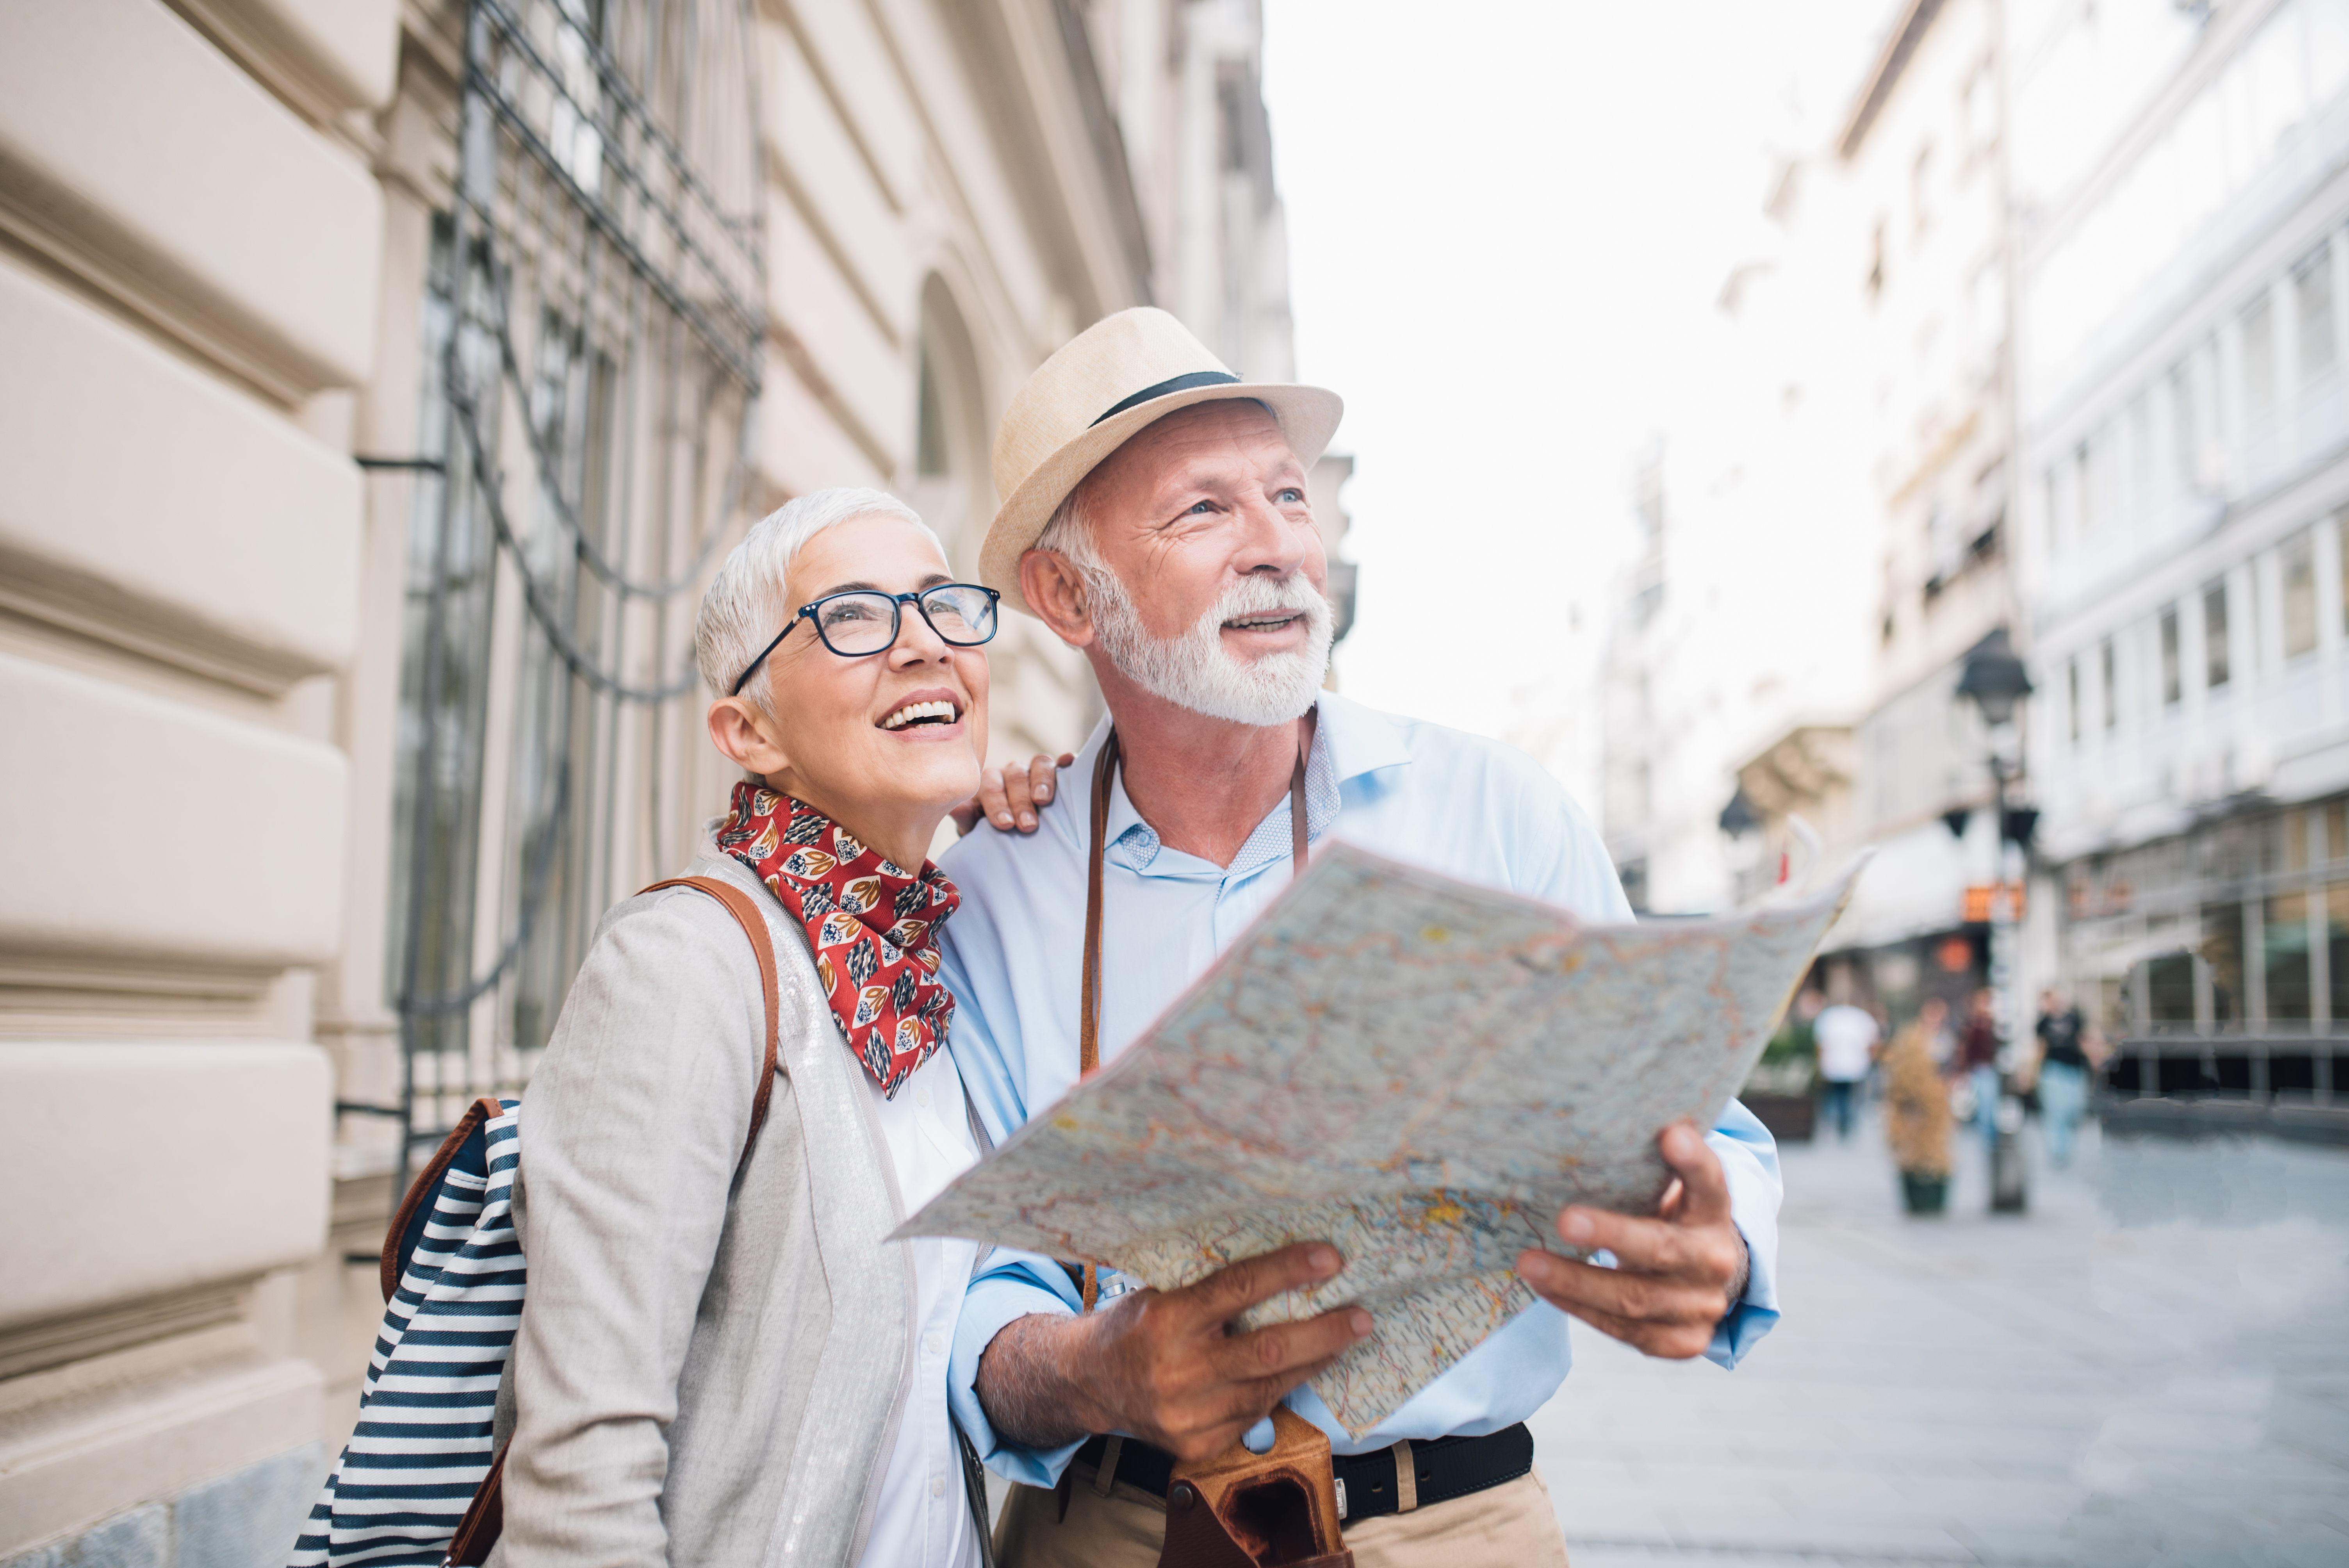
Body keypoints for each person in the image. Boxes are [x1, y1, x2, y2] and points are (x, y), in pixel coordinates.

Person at [937, 308, 1782, 1568]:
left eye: (1288, 494)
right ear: (1068, 592)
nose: (1277, 545)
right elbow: (959, 1301)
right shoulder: (994, 886)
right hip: (1106, 1527)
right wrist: (1092, 1369)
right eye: (1204, 511)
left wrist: (1714, 1236)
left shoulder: (1493, 812)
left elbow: (1699, 1131)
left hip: (1456, 1527)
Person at [489, 489, 1005, 1565]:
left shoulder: (927, 974)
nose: (924, 647)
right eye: (855, 618)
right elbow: (582, 1469)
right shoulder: (685, 965)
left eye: (943, 606)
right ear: (749, 732)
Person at [2034, 989, 2091, 1166]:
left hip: (2074, 1069)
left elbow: (2084, 1040)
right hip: (2053, 1070)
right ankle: (2059, 1152)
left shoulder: (2074, 1018)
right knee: (2055, 1113)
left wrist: (2094, 1060)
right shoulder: (2043, 1023)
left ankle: (2064, 1147)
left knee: (2074, 1109)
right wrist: (2032, 1073)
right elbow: (2040, 1048)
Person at [1813, 993, 1880, 1141]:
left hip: (1836, 1065)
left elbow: (1821, 1045)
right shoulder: (1862, 1018)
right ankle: (1847, 1123)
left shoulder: (1829, 1018)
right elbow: (1873, 1043)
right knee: (1851, 1096)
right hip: (1855, 1066)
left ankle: (1841, 1122)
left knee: (1838, 1095)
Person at [1957, 988, 2000, 1144]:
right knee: (1982, 1108)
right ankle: (1985, 1142)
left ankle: (1990, 1141)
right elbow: (1964, 1048)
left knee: (1990, 1108)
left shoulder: (1992, 1024)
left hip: (1991, 1069)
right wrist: (1963, 1071)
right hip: (1978, 1069)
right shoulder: (1972, 1025)